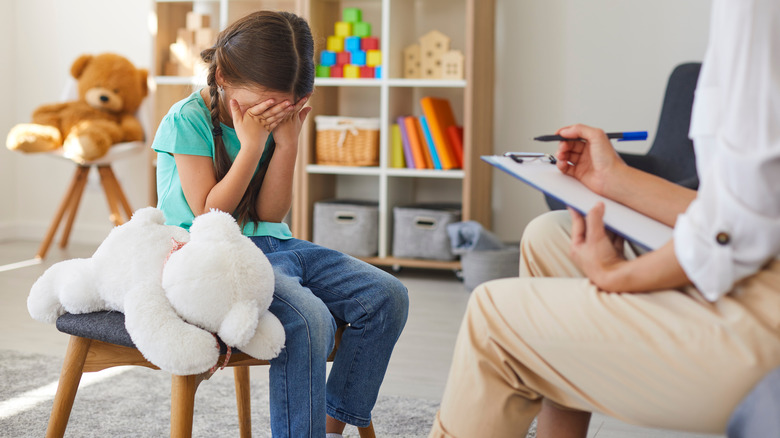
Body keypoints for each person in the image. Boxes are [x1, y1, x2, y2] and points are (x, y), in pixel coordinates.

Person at [429, 0, 780, 436]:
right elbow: (752, 209)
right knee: (549, 236)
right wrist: (614, 179)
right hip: (760, 267)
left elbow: (734, 235)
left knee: (492, 315)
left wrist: (617, 274)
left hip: (764, 317)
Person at [151, 11, 409, 437]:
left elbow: (271, 216)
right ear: (220, 77)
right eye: (258, 108)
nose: (267, 117)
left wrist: (286, 143)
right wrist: (251, 146)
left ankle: (330, 426)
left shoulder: (271, 121)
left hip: (272, 244)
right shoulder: (187, 118)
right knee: (310, 319)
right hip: (210, 255)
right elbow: (208, 216)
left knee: (386, 296)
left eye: (280, 110)